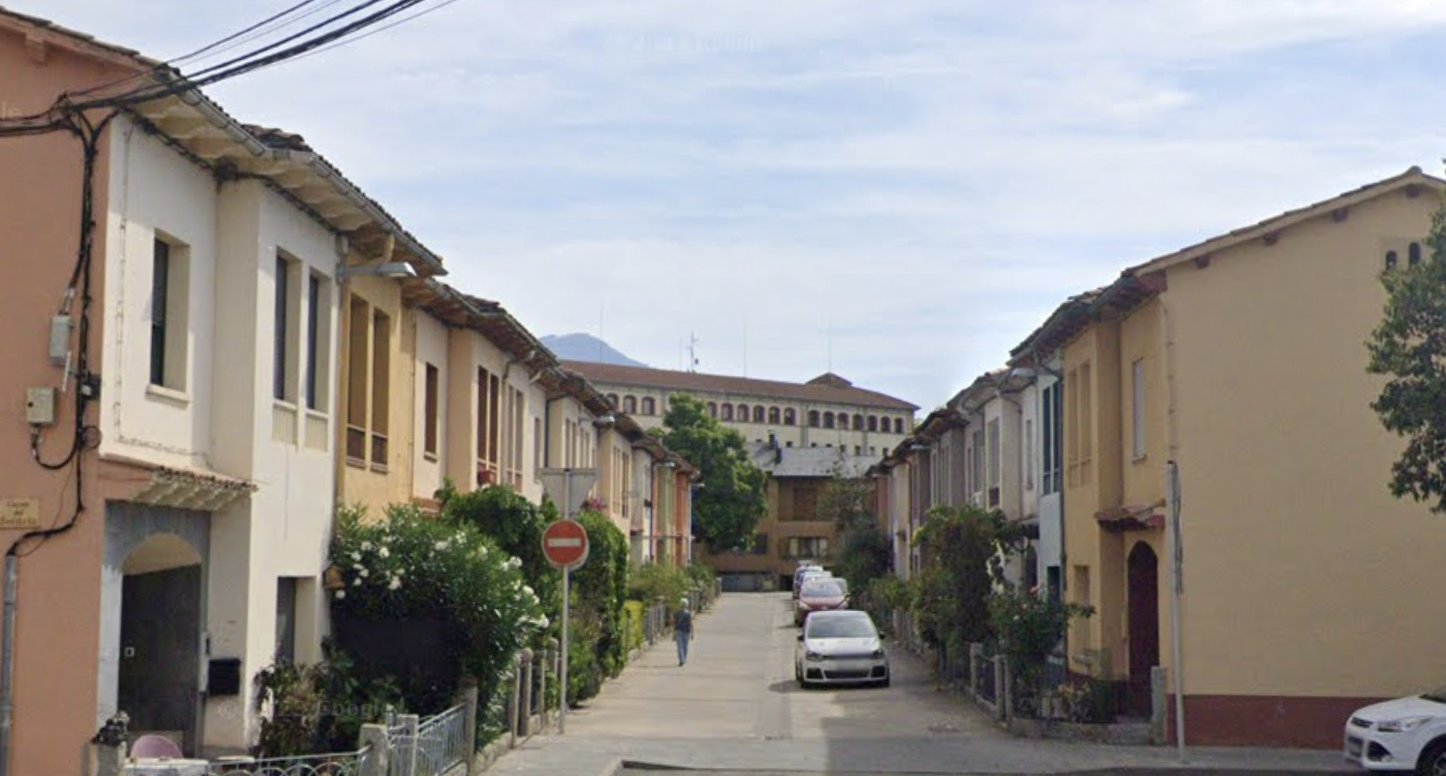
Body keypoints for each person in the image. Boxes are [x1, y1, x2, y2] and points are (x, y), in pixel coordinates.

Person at [674, 597, 694, 666]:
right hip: (687, 631)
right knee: (685, 646)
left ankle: (681, 659)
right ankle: (683, 659)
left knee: (680, 646)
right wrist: (692, 633)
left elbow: (674, 623)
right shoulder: (689, 613)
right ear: (687, 605)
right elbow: (691, 623)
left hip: (678, 631)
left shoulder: (677, 613)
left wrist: (673, 634)